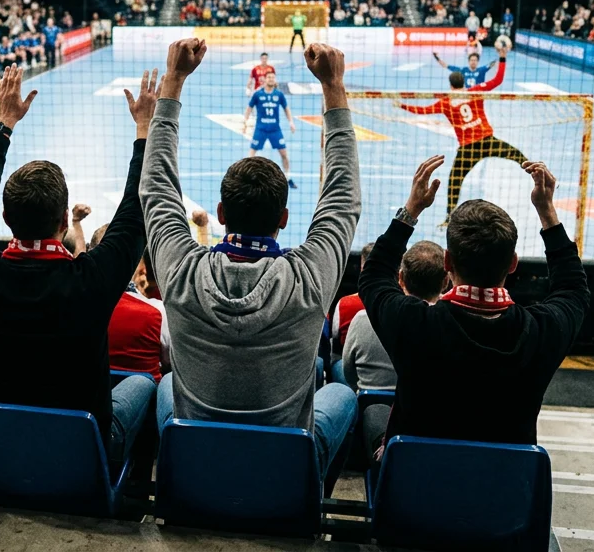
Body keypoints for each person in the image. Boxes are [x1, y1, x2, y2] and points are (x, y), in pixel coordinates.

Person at [142, 39, 360, 489]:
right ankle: (313, 494)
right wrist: (333, 89)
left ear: (220, 215)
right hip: (281, 470)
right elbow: (342, 200)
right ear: (284, 219)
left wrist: (174, 80)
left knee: (163, 386)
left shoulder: (182, 273)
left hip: (196, 462)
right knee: (339, 392)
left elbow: (157, 189)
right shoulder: (306, 281)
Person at [0, 66, 158, 465]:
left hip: (2, 448)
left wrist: (3, 124)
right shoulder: (91, 281)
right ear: (65, 220)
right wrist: (144, 129)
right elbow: (136, 211)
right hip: (81, 458)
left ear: (7, 220)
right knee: (142, 384)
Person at [358, 155, 588, 454]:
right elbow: (573, 289)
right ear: (513, 264)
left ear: (447, 262)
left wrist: (411, 211)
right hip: (504, 493)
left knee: (374, 412)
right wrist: (547, 211)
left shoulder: (414, 324)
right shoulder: (541, 332)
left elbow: (373, 276)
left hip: (416, 489)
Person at [400, 47, 522, 224]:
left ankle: (449, 216)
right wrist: (502, 58)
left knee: (454, 181)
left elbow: (422, 110)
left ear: (450, 85)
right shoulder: (475, 91)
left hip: (468, 148)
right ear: (464, 82)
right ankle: (537, 171)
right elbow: (497, 80)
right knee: (517, 156)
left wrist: (402, 105)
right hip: (488, 140)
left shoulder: (445, 102)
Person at [340, 240, 446, 392]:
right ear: (445, 282)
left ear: (401, 278)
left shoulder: (362, 318)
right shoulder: (452, 323)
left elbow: (349, 372)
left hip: (371, 409)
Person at [243, 71, 296, 189]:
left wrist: (291, 122)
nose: (271, 79)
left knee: (284, 154)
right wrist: (245, 122)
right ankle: (245, 176)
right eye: (269, 77)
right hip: (260, 128)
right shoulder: (258, 94)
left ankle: (288, 177)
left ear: (275, 80)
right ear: (265, 79)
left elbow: (286, 108)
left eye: (273, 77)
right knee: (251, 154)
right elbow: (249, 108)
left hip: (275, 129)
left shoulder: (279, 94)